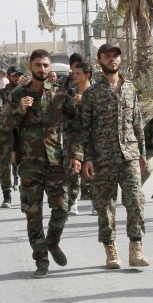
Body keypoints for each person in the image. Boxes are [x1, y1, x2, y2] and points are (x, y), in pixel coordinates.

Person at [3, 49, 78, 278]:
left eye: (46, 65)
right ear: (30, 66)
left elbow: (74, 126)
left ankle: (52, 242)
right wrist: (20, 109)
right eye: (38, 65)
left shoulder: (60, 94)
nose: (42, 69)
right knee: (33, 214)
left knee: (62, 208)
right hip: (29, 164)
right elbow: (6, 124)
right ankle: (41, 259)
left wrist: (77, 155)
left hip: (55, 162)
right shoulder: (17, 94)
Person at [75, 43, 150, 269]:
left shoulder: (130, 89)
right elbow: (83, 129)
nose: (112, 59)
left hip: (129, 155)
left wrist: (142, 153)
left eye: (116, 56)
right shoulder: (91, 94)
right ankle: (111, 251)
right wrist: (86, 158)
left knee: (135, 201)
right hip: (102, 158)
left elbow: (137, 122)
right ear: (99, 61)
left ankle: (136, 248)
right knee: (105, 206)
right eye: (107, 56)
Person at [0, 65, 22, 208]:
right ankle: (6, 196)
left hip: (23, 135)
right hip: (5, 135)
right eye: (15, 75)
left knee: (27, 166)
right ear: (8, 77)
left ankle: (26, 193)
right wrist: (17, 112)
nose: (17, 78)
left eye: (19, 75)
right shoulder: (0, 93)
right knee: (4, 167)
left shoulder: (25, 92)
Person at [65, 61, 92, 215]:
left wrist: (84, 102)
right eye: (73, 73)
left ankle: (94, 201)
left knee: (93, 168)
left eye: (78, 73)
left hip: (92, 136)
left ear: (87, 75)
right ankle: (73, 201)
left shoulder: (95, 92)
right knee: (73, 169)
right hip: (74, 136)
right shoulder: (70, 92)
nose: (74, 76)